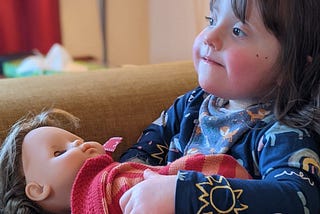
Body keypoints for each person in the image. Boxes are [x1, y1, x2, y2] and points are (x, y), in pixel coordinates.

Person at [119, 0, 320, 213]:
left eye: (237, 31)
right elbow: (144, 151)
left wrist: (185, 194)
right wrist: (117, 174)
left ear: (292, 67)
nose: (209, 36)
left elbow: (299, 198)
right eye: (211, 20)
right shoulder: (191, 104)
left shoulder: (283, 133)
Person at [0, 108, 251, 214]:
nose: (78, 144)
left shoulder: (114, 180)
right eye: (59, 152)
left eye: (76, 139)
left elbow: (216, 172)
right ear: (38, 189)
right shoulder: (105, 188)